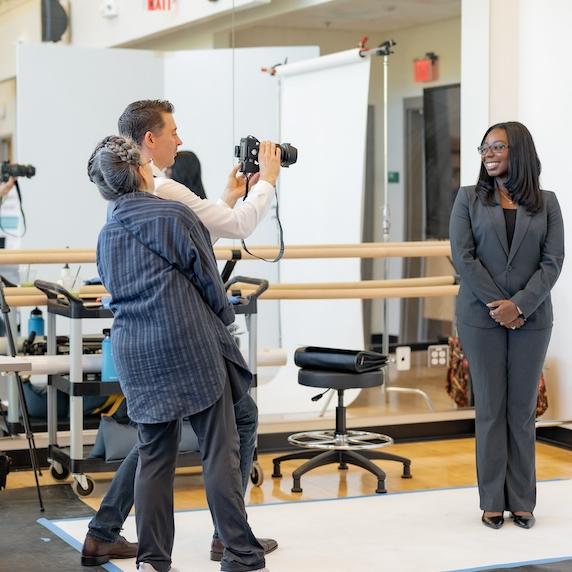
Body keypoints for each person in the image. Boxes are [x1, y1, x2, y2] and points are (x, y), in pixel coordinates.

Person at [82, 100, 280, 566]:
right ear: (144, 156)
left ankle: (151, 557)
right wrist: (267, 180)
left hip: (135, 348)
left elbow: (161, 261)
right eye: (172, 130)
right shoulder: (172, 207)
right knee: (220, 446)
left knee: (155, 450)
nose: (178, 138)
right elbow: (208, 271)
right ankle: (235, 546)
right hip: (188, 343)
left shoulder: (108, 229)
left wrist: (228, 198)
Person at [449, 121, 564, 530]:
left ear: (520, 150)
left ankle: (523, 501)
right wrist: (498, 306)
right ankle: (491, 501)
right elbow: (463, 258)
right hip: (480, 319)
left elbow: (552, 263)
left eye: (497, 146)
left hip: (532, 320)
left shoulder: (547, 203)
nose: (489, 154)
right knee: (491, 409)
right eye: (484, 148)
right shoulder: (468, 199)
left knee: (521, 411)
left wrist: (520, 306)